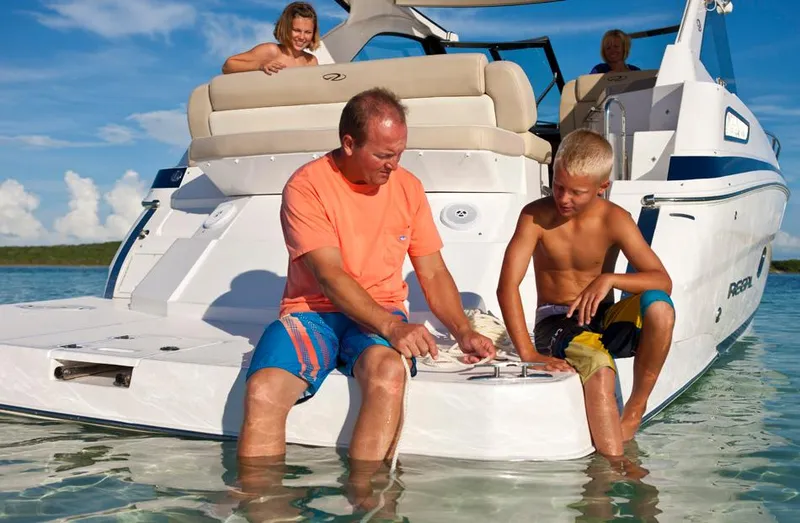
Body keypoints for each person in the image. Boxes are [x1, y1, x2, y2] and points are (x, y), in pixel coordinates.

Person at [238, 87, 496, 466]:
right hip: (312, 312)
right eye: (383, 155)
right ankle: (260, 497)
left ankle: (367, 494)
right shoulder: (306, 186)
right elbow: (329, 276)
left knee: (389, 372)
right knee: (263, 390)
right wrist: (393, 329)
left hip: (382, 309)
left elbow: (433, 270)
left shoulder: (409, 188)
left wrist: (463, 331)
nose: (394, 165)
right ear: (349, 144)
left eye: (400, 153)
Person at [496, 129, 675, 457]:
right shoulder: (535, 217)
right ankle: (613, 470)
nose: (563, 198)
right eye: (558, 186)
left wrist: (610, 279)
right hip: (558, 320)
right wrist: (528, 354)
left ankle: (635, 409)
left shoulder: (615, 219)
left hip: (602, 316)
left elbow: (662, 281)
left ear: (601, 187)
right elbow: (507, 285)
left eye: (576, 192)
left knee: (660, 307)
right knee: (599, 366)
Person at [222, 2, 320, 75]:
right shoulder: (272, 51)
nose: (302, 37)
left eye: (308, 32)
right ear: (286, 28)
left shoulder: (311, 61)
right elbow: (228, 65)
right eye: (296, 30)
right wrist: (259, 65)